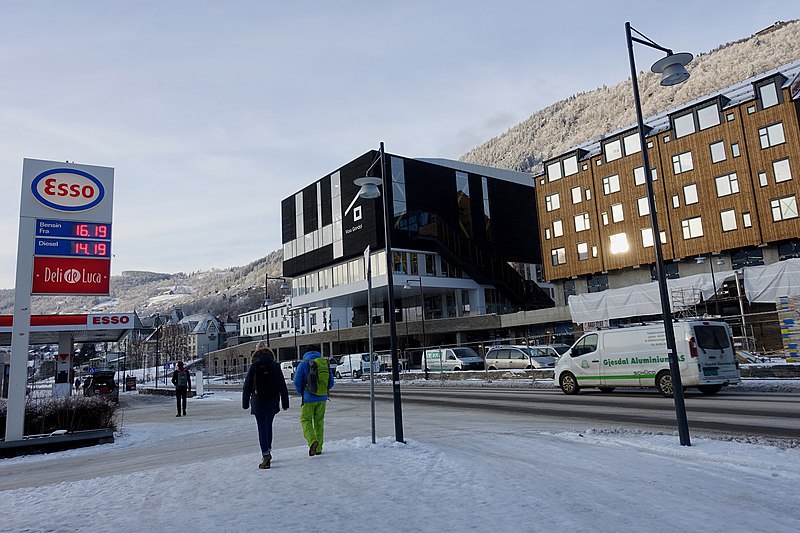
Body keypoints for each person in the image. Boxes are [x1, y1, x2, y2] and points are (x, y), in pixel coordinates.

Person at [242, 342, 289, 469]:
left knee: (261, 428)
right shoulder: (275, 365)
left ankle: (265, 454)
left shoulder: (254, 366)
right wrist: (285, 402)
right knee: (269, 426)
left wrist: (245, 402)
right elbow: (282, 385)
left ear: (256, 351)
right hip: (272, 400)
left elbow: (247, 386)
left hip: (258, 401)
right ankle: (268, 449)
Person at [293, 350, 334, 457]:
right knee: (319, 422)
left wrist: (302, 393)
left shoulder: (303, 364)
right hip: (322, 399)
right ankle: (319, 448)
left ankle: (312, 441)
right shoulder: (323, 363)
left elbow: (297, 382)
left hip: (308, 399)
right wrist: (323, 391)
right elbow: (331, 382)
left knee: (305, 420)